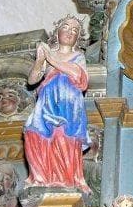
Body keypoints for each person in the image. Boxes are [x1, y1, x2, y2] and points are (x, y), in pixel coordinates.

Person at [23, 16, 90, 194]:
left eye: (75, 30)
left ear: (78, 38)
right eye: (65, 27)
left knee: (63, 137)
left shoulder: (78, 56)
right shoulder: (48, 56)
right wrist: (40, 60)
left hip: (69, 105)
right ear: (57, 33)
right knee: (33, 133)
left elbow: (80, 77)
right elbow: (32, 80)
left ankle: (66, 179)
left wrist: (51, 58)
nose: (70, 32)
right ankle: (41, 177)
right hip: (47, 102)